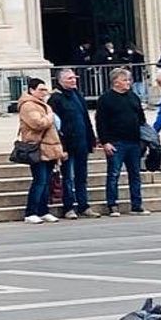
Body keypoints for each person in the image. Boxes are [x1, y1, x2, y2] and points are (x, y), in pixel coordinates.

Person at [94, 67, 148, 216]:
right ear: (115, 82)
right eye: (124, 80)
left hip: (134, 141)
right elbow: (101, 122)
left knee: (135, 174)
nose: (128, 82)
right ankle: (112, 205)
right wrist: (105, 141)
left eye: (128, 80)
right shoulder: (106, 99)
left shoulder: (133, 96)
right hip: (116, 142)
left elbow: (141, 118)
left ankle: (137, 205)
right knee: (114, 174)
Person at [13, 78, 62, 222]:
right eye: (40, 89)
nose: (44, 92)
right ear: (31, 90)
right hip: (37, 147)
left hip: (48, 147)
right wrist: (49, 117)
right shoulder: (28, 105)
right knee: (39, 180)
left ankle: (43, 210)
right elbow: (37, 123)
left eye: (45, 89)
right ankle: (31, 212)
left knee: (46, 180)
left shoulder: (42, 104)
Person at [49, 67, 94, 218]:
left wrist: (91, 139)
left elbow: (85, 118)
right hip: (67, 145)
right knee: (68, 177)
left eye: (74, 78)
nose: (73, 80)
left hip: (82, 143)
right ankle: (68, 207)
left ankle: (84, 205)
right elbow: (55, 126)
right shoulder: (56, 99)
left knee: (82, 177)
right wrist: (62, 147)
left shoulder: (78, 95)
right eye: (69, 78)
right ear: (60, 81)